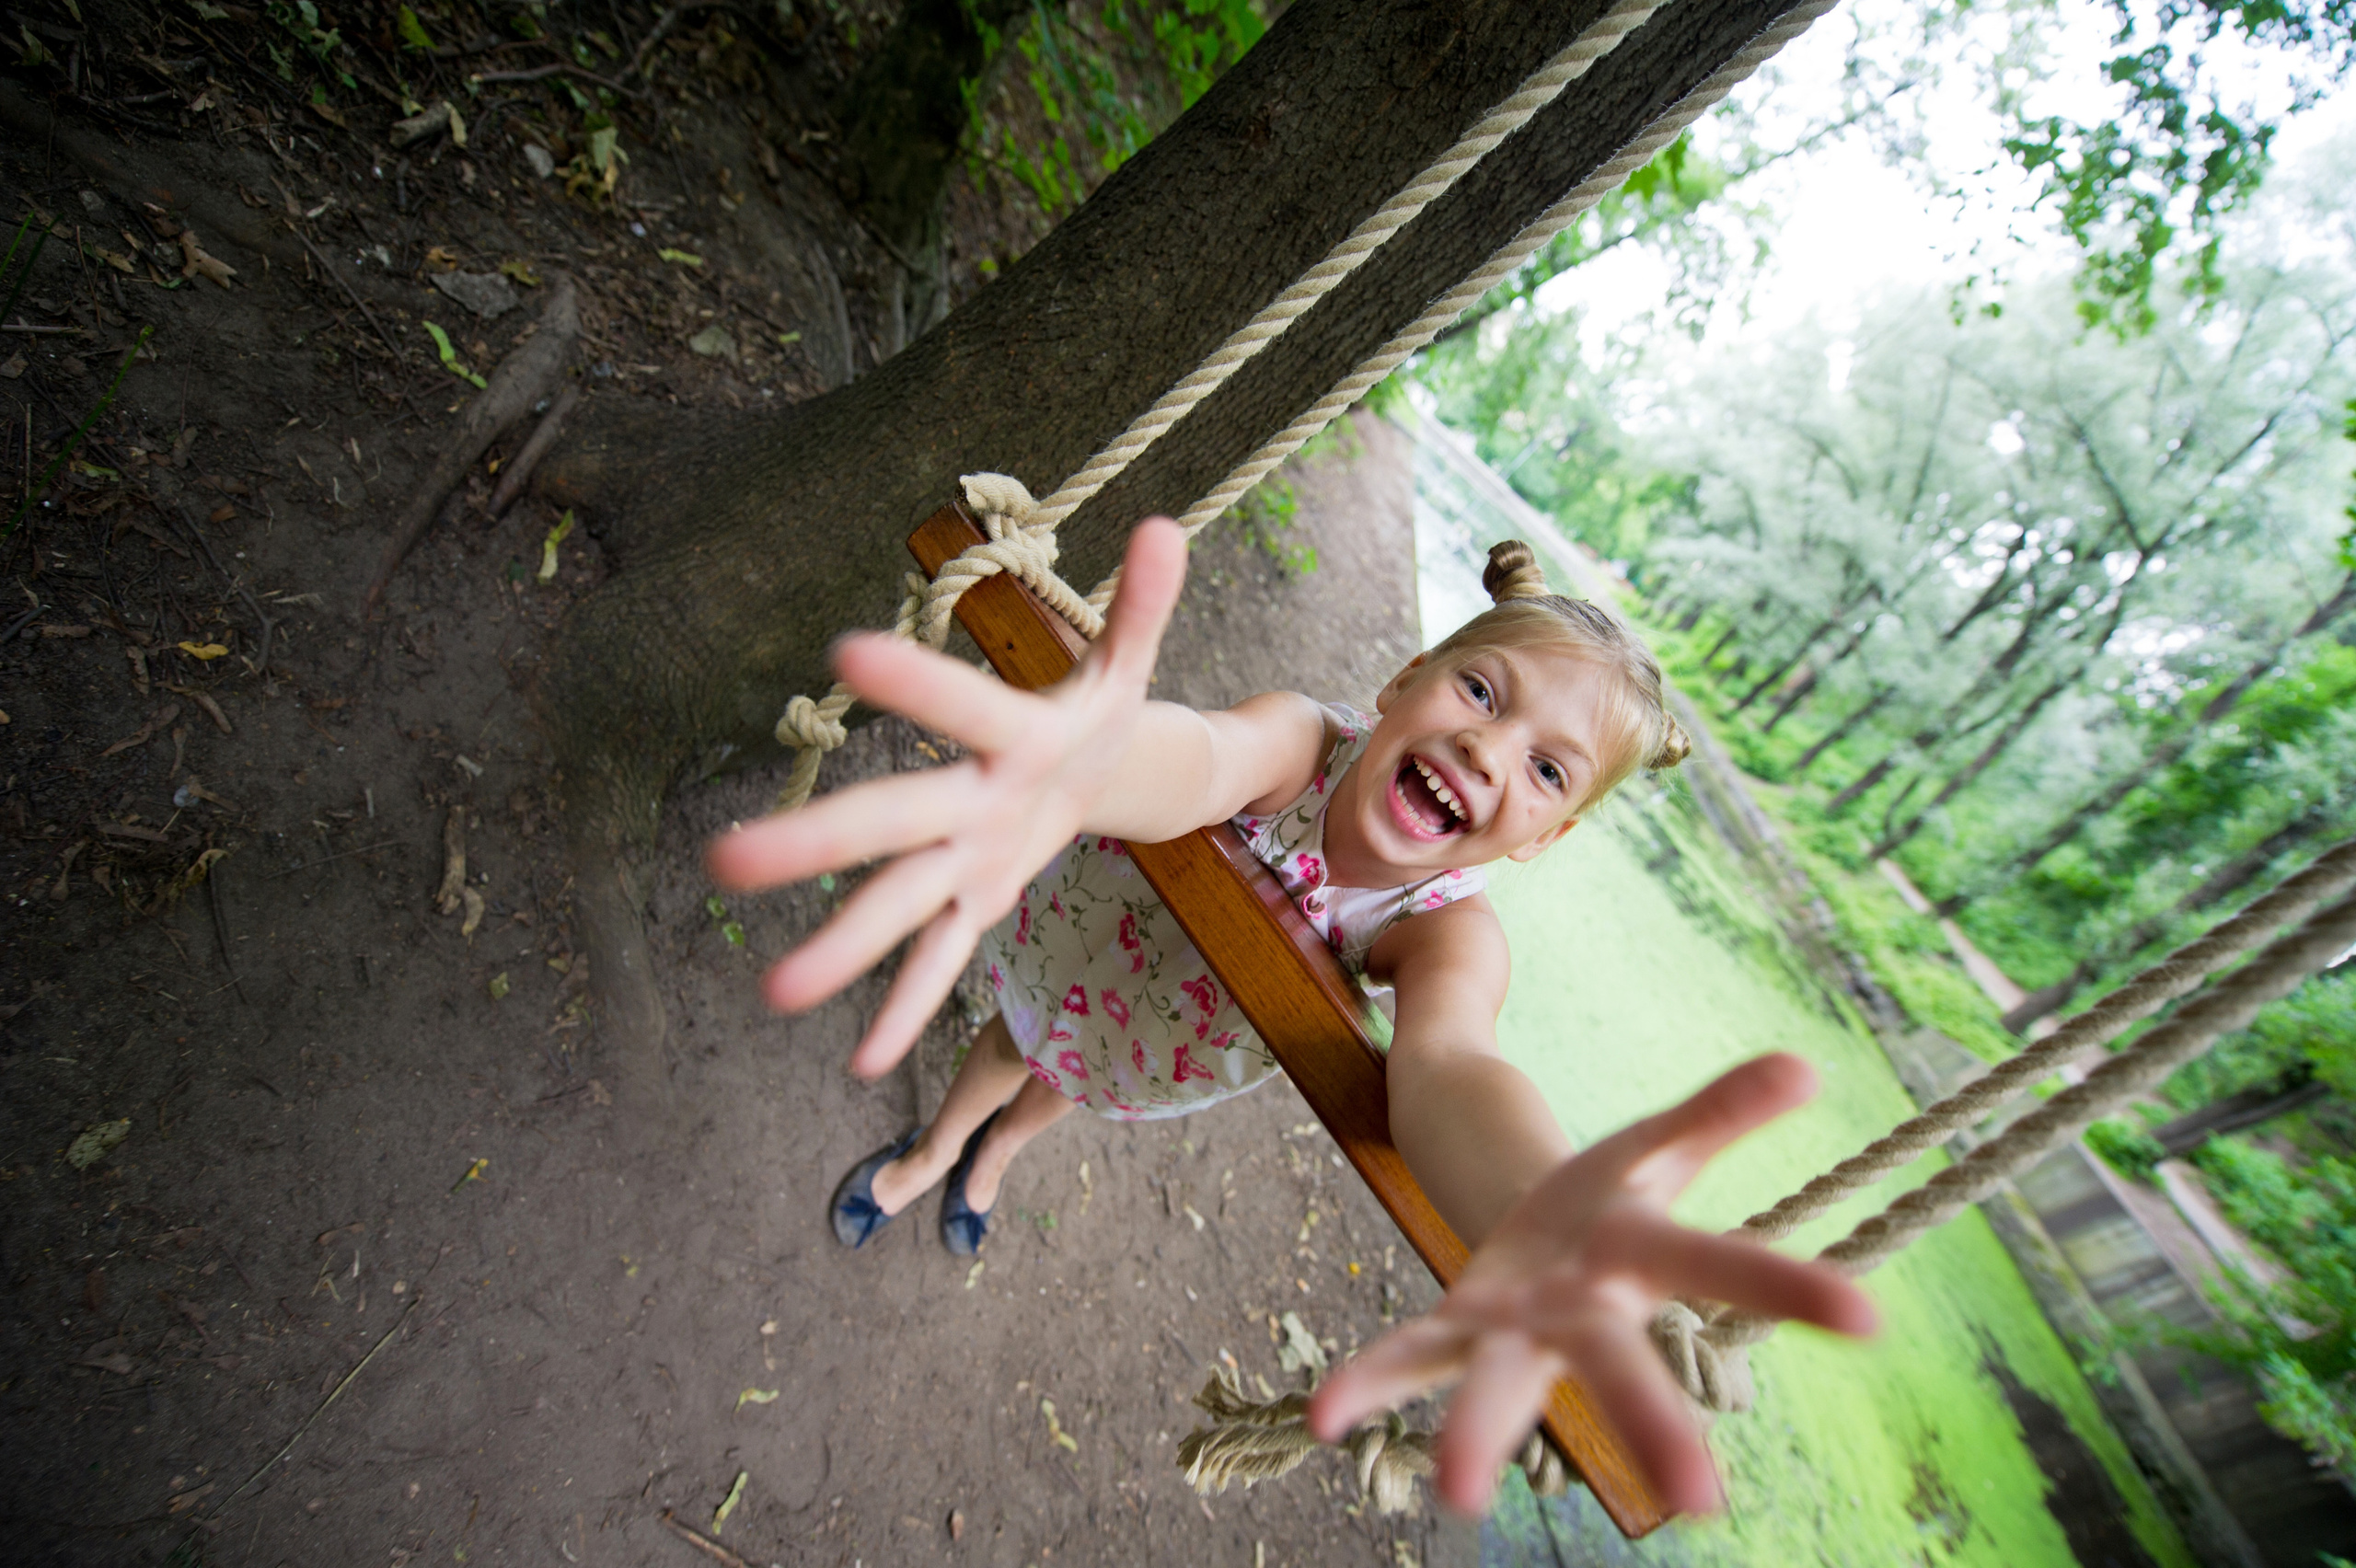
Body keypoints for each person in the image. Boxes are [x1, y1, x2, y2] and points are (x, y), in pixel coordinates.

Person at [707, 518, 1875, 1517]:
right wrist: (1087, 761)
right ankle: (926, 1156)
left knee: (1067, 1089)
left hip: (1159, 1050)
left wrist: (1540, 1214)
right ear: (1403, 681)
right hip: (1076, 951)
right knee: (1015, 1040)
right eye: (1478, 691)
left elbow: (1452, 1063)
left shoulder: (1446, 932)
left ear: (1544, 837)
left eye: (1550, 770)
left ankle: (994, 1160)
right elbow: (1199, 760)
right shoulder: (1300, 744)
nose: (1486, 746)